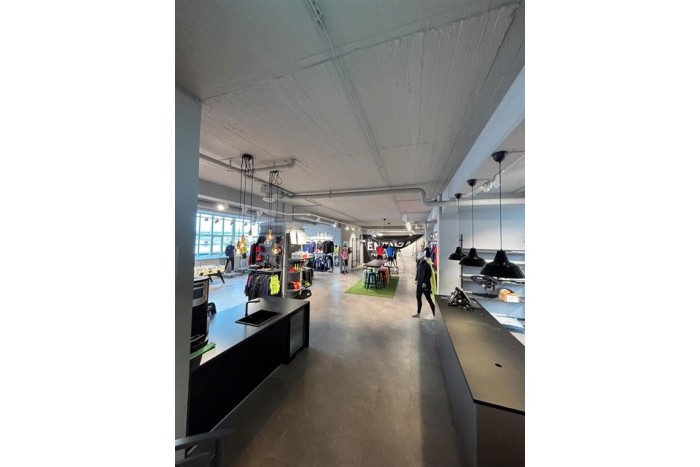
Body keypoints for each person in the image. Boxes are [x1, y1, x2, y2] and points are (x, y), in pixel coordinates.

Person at [412, 251, 436, 319]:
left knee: (429, 300)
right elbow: (417, 272)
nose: (419, 259)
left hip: (425, 285)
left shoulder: (427, 265)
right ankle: (418, 313)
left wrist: (425, 283)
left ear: (422, 258)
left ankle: (434, 314)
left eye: (420, 258)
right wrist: (416, 279)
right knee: (418, 298)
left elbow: (429, 275)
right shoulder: (419, 264)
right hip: (419, 285)